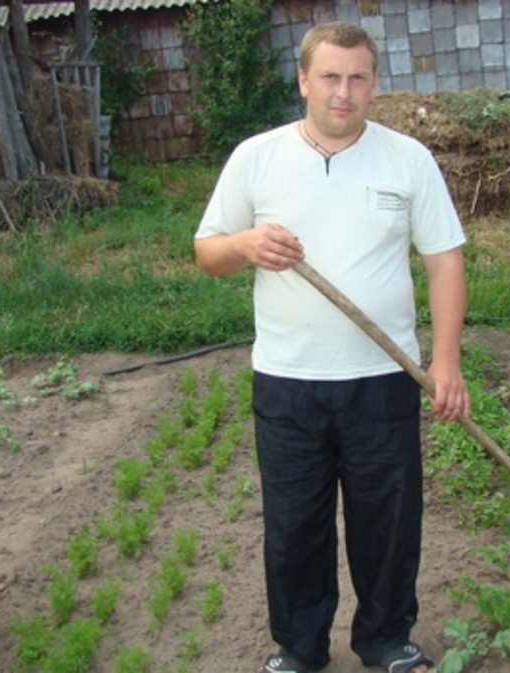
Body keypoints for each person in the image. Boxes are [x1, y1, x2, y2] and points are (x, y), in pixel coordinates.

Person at [194, 21, 468, 673]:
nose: (342, 93)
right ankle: (299, 646)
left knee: (389, 520)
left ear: (373, 83)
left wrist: (446, 358)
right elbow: (208, 251)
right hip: (288, 379)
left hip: (384, 376)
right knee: (294, 524)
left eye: (356, 78)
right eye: (329, 77)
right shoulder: (256, 157)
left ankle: (384, 637)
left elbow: (445, 261)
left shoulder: (407, 159)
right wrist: (244, 245)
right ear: (303, 81)